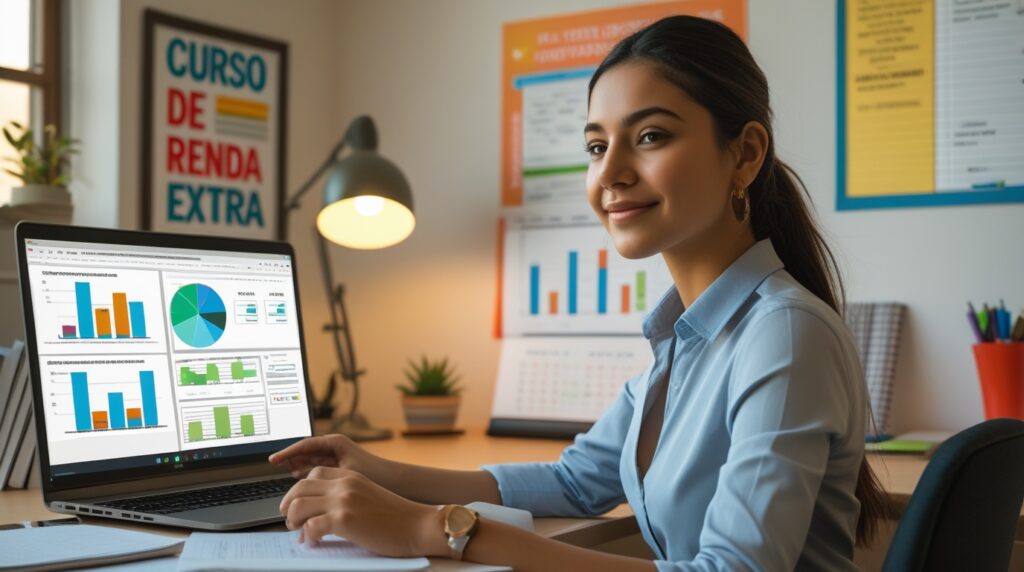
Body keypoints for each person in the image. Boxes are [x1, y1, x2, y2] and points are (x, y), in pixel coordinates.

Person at [270, 15, 889, 571]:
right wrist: (376, 470)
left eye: (650, 137)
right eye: (597, 146)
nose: (611, 173)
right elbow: (574, 483)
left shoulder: (783, 332)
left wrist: (432, 529)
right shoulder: (684, 337)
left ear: (745, 155)